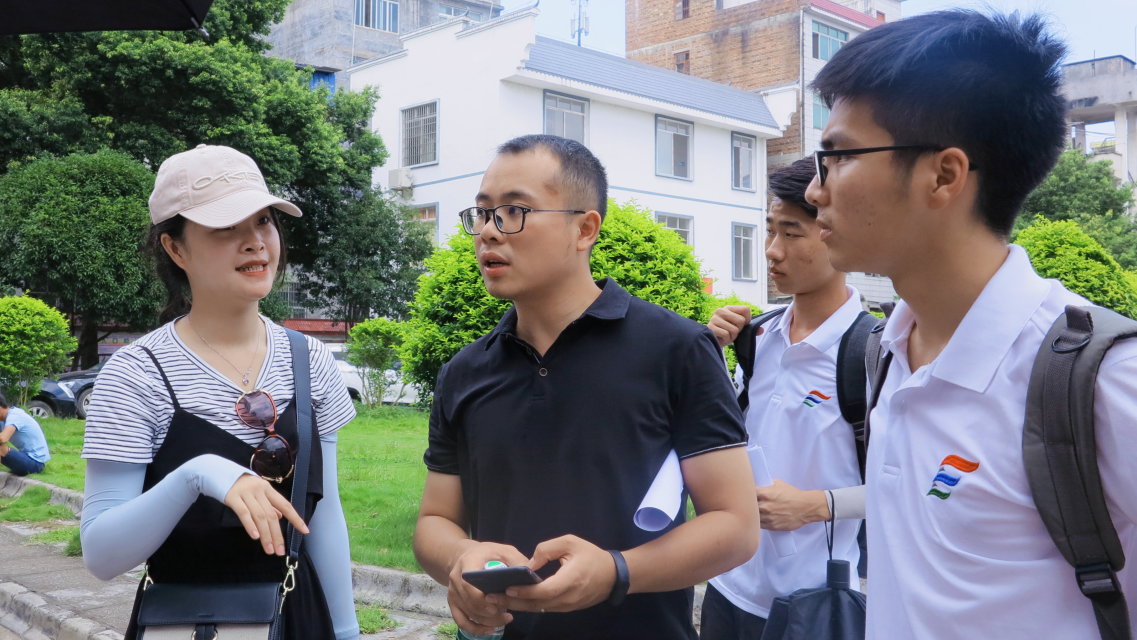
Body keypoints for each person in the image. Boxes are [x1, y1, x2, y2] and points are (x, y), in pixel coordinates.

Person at [804, 10, 1137, 638]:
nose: (815, 191)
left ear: (943, 175)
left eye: (839, 157)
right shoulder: (889, 353)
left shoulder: (1101, 383)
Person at [415, 134, 759, 640]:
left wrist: (617, 572)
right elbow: (435, 521)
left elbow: (735, 525)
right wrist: (461, 558)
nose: (488, 231)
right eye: (483, 213)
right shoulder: (464, 372)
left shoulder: (677, 350)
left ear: (584, 229)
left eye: (513, 212)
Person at [79, 144, 359, 639]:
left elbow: (325, 513)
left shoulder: (310, 359)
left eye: (263, 221)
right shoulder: (136, 375)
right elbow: (102, 554)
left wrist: (346, 630)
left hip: (298, 617)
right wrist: (197, 475)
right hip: (184, 623)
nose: (255, 243)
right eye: (226, 227)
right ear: (176, 249)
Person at [700, 157, 865, 640]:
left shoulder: (872, 353)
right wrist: (707, 354)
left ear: (834, 232)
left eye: (791, 234)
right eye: (771, 231)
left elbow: (911, 485)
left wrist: (817, 505)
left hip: (811, 603)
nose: (772, 251)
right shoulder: (755, 338)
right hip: (725, 580)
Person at [0, 392, 51, 476]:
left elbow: (3, 438)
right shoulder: (2, 420)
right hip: (25, 458)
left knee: (1, 448)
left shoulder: (15, 416)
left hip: (36, 463)